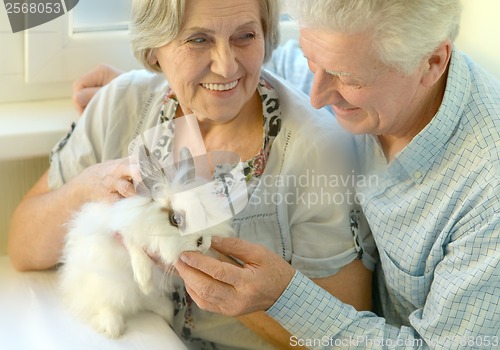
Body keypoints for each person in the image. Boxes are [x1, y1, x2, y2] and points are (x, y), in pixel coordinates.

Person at [68, 0, 500, 348]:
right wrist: (149, 80)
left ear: (431, 64)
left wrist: (282, 299)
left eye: (345, 78)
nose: (316, 98)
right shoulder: (357, 62)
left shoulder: (487, 193)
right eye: (314, 62)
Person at [8, 0, 376, 349]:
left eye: (245, 36)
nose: (226, 65)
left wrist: (229, 285)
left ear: (267, 35)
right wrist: (88, 186)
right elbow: (22, 247)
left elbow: (343, 337)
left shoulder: (318, 154)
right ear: (154, 49)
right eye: (198, 39)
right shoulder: (120, 106)